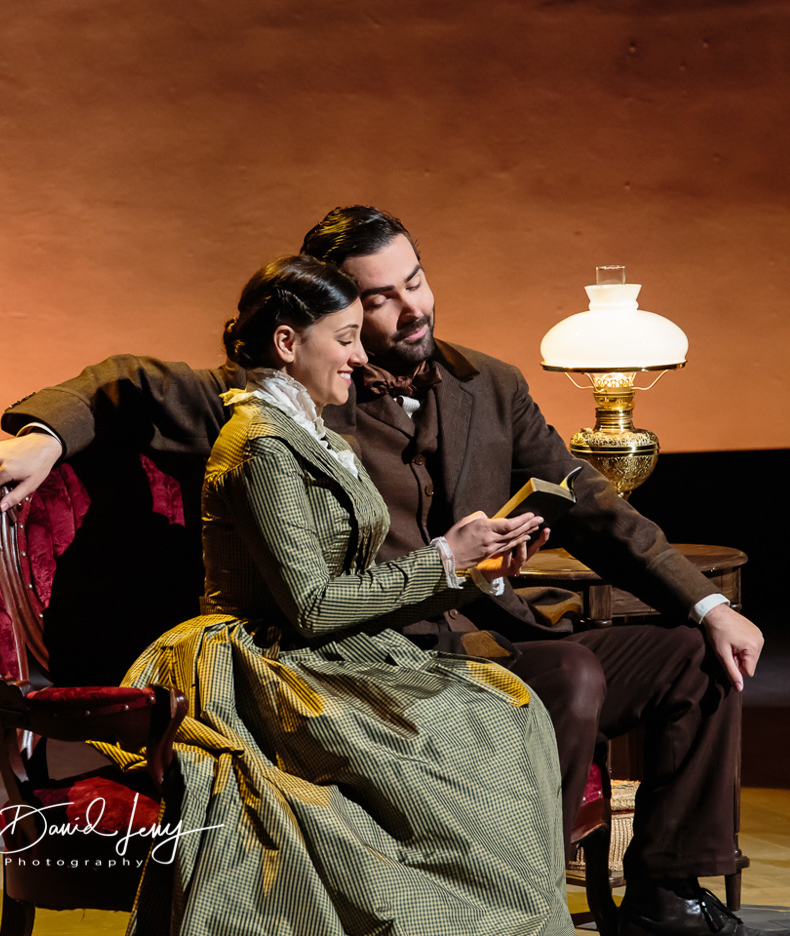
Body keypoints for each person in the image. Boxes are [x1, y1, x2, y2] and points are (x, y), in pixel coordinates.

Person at [0, 208, 790, 936]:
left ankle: (667, 893)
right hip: (376, 660)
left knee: (694, 657)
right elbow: (123, 383)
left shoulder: (490, 385)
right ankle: (514, 907)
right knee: (570, 676)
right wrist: (42, 436)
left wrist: (705, 605)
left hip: (492, 631)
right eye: (379, 298)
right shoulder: (285, 396)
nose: (412, 308)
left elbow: (588, 500)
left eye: (415, 281)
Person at [94, 254, 572, 936]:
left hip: (329, 652)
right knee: (458, 742)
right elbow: (313, 605)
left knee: (505, 711)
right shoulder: (260, 444)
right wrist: (444, 558)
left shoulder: (308, 431)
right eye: (345, 339)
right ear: (288, 343)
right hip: (267, 664)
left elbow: (349, 588)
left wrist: (475, 569)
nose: (359, 356)